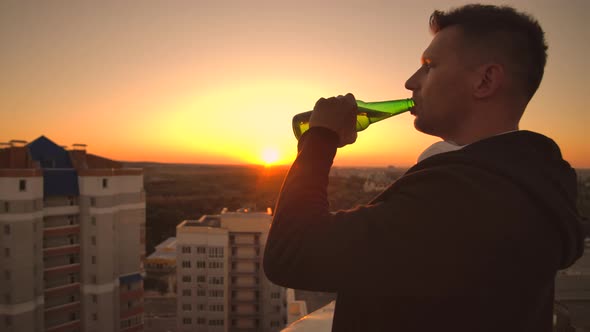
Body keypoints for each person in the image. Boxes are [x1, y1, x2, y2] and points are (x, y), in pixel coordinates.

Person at [263, 4, 585, 332]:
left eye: (429, 66)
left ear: (485, 80)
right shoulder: (532, 183)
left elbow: (292, 252)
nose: (409, 82)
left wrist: (319, 139)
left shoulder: (459, 198)